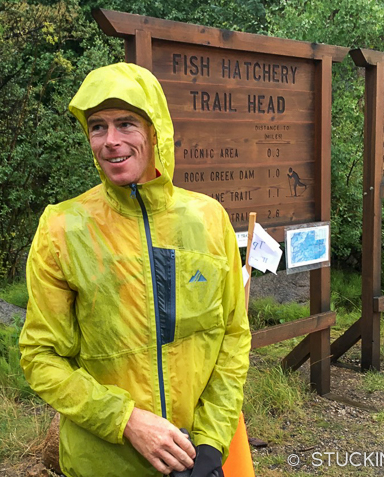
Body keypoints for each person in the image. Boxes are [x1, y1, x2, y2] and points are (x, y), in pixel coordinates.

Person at [19, 62, 251, 477]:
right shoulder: (61, 228)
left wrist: (212, 443)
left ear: (155, 130)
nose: (110, 141)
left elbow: (232, 337)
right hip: (101, 464)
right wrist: (126, 420)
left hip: (195, 458)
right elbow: (41, 356)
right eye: (97, 126)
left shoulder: (208, 218)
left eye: (126, 124)